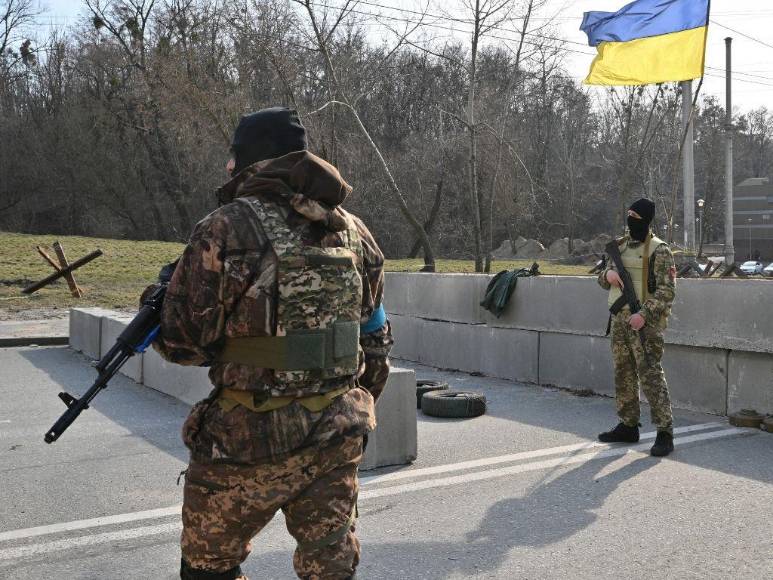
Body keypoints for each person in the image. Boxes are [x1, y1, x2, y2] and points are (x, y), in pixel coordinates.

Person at [146, 107, 393, 580]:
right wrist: (347, 409)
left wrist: (157, 299)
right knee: (330, 567)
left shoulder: (225, 228)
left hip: (244, 441)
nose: (226, 168)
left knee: (208, 567)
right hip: (335, 437)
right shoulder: (355, 232)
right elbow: (376, 341)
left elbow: (182, 344)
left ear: (249, 161)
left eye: (232, 157)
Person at [597, 198, 676, 457]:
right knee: (623, 374)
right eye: (628, 214)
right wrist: (606, 275)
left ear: (645, 218)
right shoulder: (619, 247)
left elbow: (667, 291)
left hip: (646, 323)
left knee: (651, 376)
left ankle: (665, 432)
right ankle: (628, 425)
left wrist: (643, 314)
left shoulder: (659, 250)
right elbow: (603, 278)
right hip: (619, 320)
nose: (630, 219)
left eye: (635, 215)